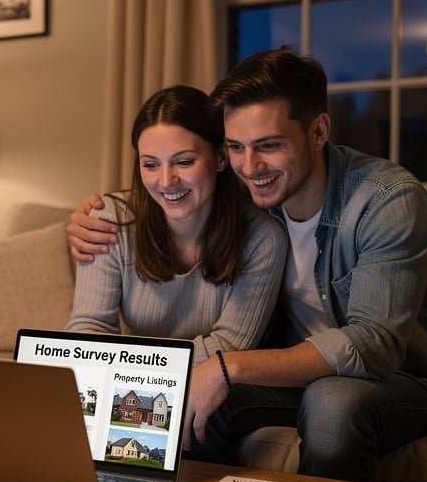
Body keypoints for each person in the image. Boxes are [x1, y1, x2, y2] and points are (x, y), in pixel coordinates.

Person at [67, 48, 427, 482]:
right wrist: (83, 219)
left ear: (319, 131)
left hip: (398, 381)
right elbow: (176, 190)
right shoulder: (246, 196)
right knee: (192, 401)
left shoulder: (387, 199)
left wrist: (232, 367)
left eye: (269, 146)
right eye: (236, 148)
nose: (250, 167)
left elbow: (374, 344)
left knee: (331, 402)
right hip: (288, 379)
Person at [66, 85, 287, 367]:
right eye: (150, 165)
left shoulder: (263, 238)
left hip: (213, 392)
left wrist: (127, 361)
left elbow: (229, 347)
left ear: (220, 158)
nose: (167, 181)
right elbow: (86, 331)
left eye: (184, 161)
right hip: (124, 383)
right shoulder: (109, 220)